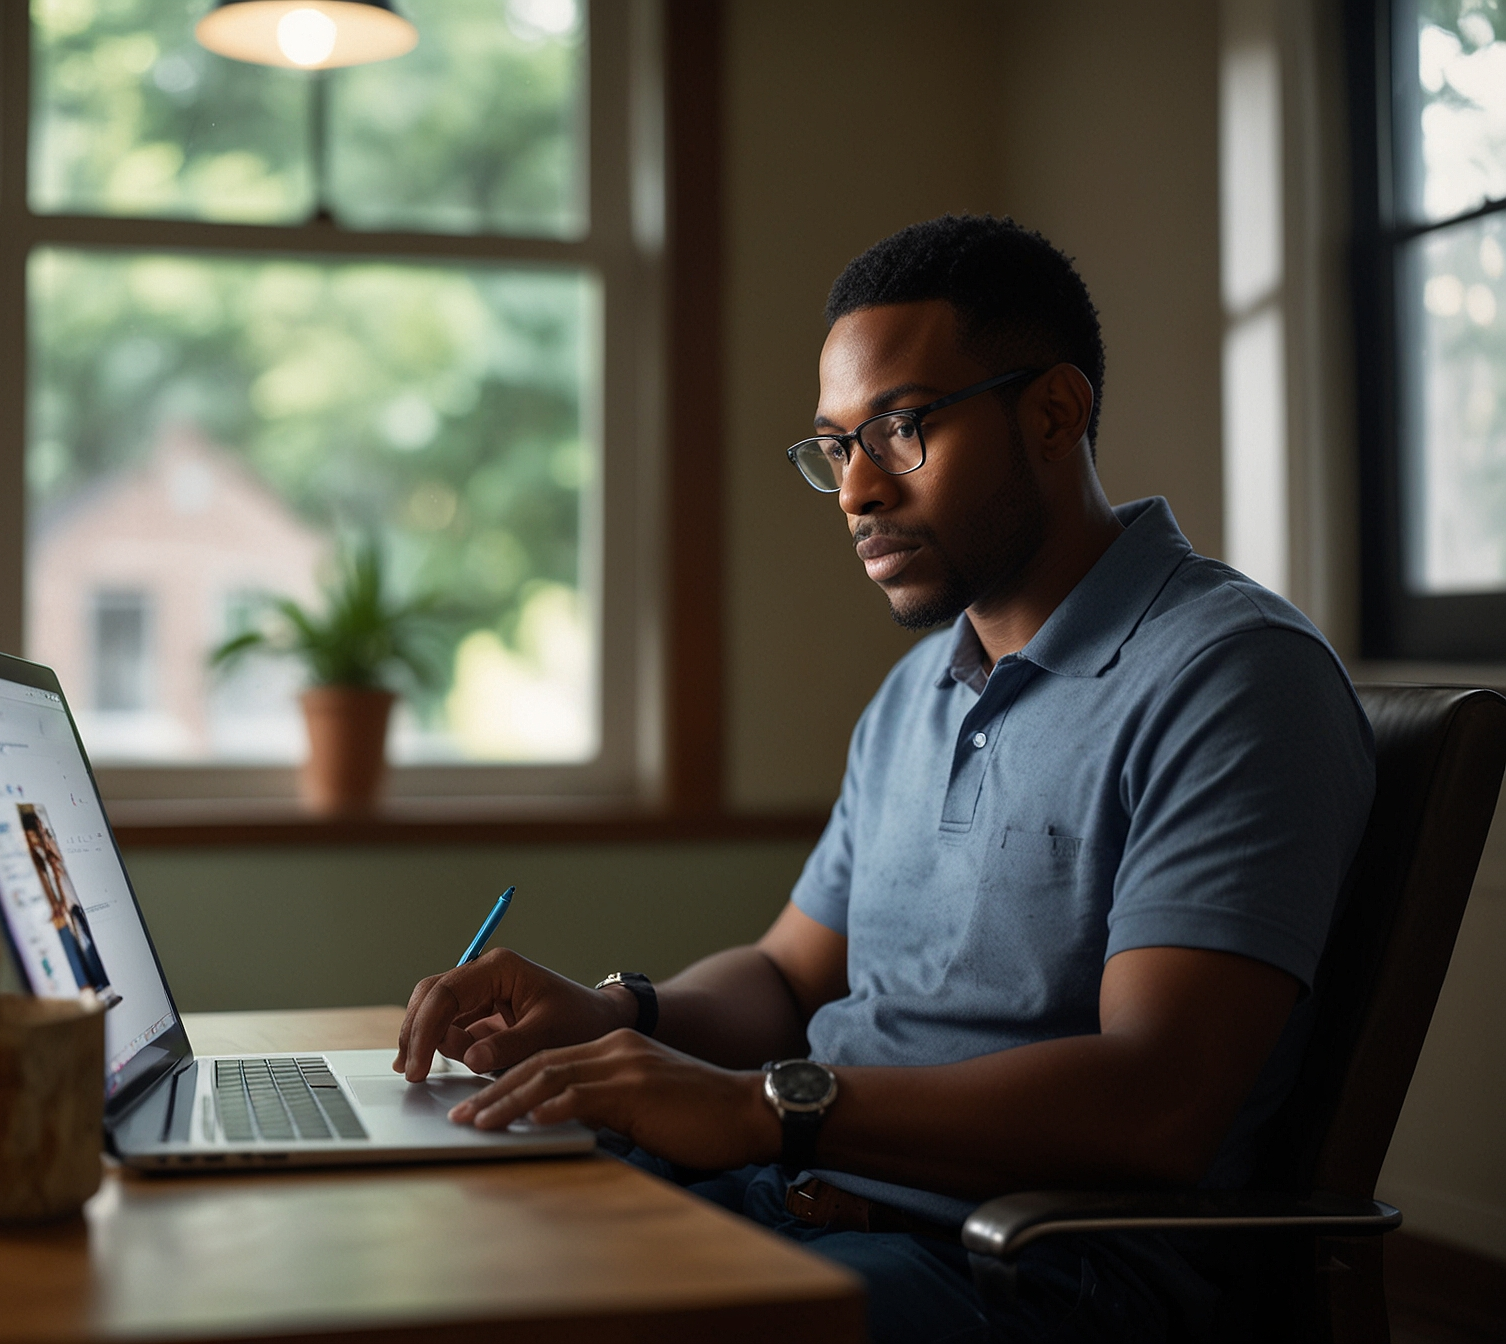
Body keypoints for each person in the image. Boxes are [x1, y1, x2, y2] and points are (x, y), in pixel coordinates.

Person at [393, 215, 1374, 1342]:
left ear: (1055, 411)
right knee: (446, 1235)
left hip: (1026, 1275)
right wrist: (617, 1014)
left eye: (900, 430)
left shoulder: (1229, 677)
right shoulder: (920, 690)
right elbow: (785, 976)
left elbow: (1157, 1101)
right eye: (835, 446)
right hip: (800, 1197)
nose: (855, 492)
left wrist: (766, 1109)